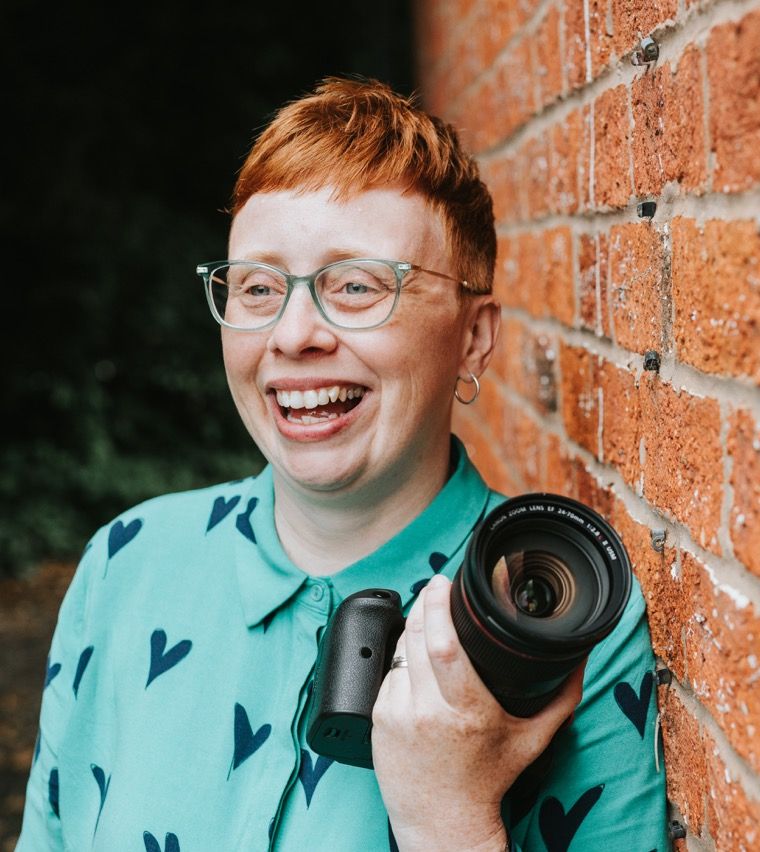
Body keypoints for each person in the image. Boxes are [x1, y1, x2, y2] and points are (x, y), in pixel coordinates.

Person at [18, 77, 669, 851]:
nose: (293, 334)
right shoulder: (124, 566)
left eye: (356, 285)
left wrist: (447, 815)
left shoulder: (560, 619)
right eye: (258, 287)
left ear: (474, 338)